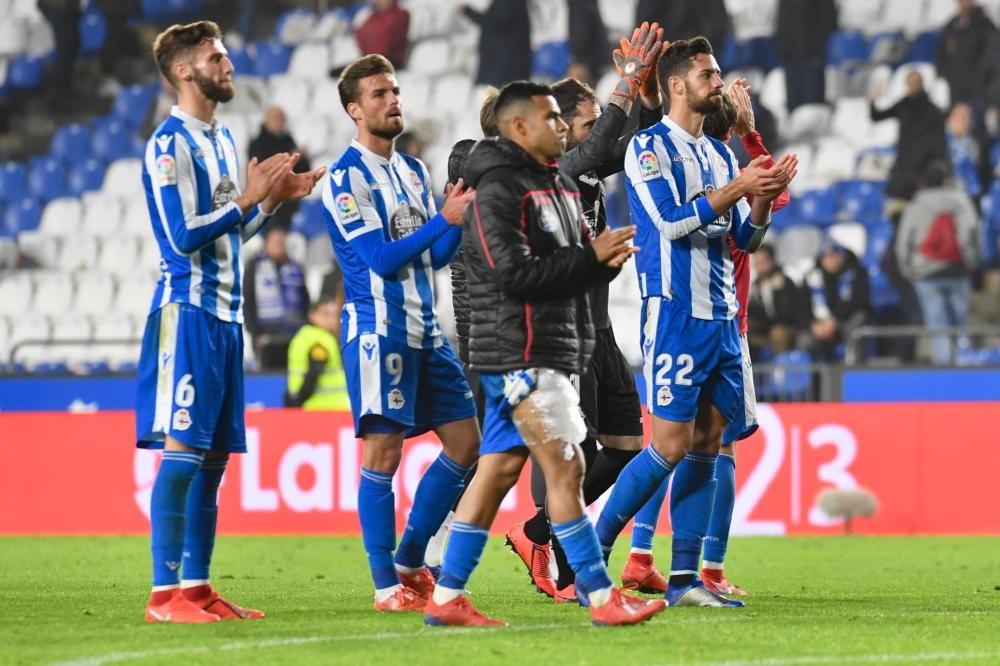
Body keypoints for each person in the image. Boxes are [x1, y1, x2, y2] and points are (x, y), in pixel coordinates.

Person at [422, 80, 664, 628]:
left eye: (562, 117)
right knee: (566, 464)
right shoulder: (499, 190)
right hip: (516, 349)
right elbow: (513, 274)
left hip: (545, 343)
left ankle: (446, 595)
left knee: (499, 471)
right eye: (551, 118)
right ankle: (599, 596)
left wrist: (591, 265)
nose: (560, 127)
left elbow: (567, 265)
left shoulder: (550, 184)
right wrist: (589, 258)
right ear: (519, 128)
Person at [591, 36, 796, 608]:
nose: (717, 81)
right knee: (668, 445)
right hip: (675, 314)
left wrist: (760, 200)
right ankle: (584, 553)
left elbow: (744, 241)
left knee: (708, 443)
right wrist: (739, 188)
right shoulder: (647, 149)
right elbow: (673, 223)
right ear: (677, 84)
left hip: (724, 318)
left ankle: (685, 581)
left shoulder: (719, 154)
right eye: (708, 74)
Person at [136, 20, 325, 624]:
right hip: (186, 313)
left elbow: (231, 236)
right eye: (216, 58)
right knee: (185, 452)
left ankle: (196, 588)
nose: (229, 66)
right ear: (185, 71)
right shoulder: (169, 145)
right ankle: (163, 596)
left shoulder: (221, 139)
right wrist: (247, 199)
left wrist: (270, 203)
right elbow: (181, 236)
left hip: (224, 318)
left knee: (213, 461)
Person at [503, 22, 668, 601]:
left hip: (601, 329)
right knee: (579, 455)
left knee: (627, 450)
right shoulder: (562, 171)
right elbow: (602, 148)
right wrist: (624, 82)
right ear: (561, 129)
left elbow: (642, 145)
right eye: (589, 121)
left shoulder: (589, 167)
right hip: (568, 334)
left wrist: (645, 93)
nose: (600, 131)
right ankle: (574, 572)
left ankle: (536, 533)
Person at [322, 54, 480, 613]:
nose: (393, 100)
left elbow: (435, 254)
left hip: (425, 330)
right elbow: (380, 259)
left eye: (394, 90)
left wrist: (460, 221)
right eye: (378, 94)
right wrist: (443, 219)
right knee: (382, 452)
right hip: (378, 331)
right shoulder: (344, 179)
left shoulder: (412, 170)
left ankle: (412, 559)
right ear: (354, 110)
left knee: (466, 443)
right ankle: (386, 586)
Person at [895, 161, 980, 365]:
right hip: (958, 270)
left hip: (926, 273)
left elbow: (903, 242)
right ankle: (964, 370)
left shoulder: (916, 205)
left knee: (938, 326)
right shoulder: (962, 202)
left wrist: (910, 271)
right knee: (960, 325)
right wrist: (972, 262)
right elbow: (973, 234)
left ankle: (945, 375)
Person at [869, 71, 949, 202]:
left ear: (922, 84)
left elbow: (940, 143)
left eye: (916, 82)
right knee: (896, 202)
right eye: (910, 82)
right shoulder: (903, 105)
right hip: (903, 164)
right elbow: (876, 116)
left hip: (923, 166)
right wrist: (873, 100)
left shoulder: (933, 111)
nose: (913, 85)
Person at [243, 225, 309, 370]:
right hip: (265, 335)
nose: (279, 246)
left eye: (282, 243)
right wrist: (255, 332)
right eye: (275, 243)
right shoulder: (253, 268)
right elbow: (247, 302)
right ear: (266, 243)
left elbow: (305, 301)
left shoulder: (295, 268)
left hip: (294, 333)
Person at [248, 106, 313, 231]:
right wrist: (290, 158)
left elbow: (304, 169)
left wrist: (300, 157)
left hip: (289, 198)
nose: (279, 121)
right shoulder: (257, 143)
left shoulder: (288, 140)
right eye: (275, 118)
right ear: (266, 120)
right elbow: (263, 168)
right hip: (267, 196)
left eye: (281, 118)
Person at [805, 242, 871, 362]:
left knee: (857, 322)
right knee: (805, 340)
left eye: (833, 256)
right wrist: (813, 324)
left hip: (846, 320)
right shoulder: (812, 278)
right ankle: (812, 379)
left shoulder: (857, 273)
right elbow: (801, 307)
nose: (829, 260)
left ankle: (853, 368)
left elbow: (859, 301)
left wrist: (834, 320)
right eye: (825, 257)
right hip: (821, 325)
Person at [285, 294, 350, 409]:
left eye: (334, 315)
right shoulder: (320, 340)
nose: (331, 319)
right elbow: (313, 374)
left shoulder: (303, 335)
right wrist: (297, 402)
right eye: (325, 314)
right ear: (312, 315)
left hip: (314, 408)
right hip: (322, 408)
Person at [747, 243, 809, 359]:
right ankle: (749, 373)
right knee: (743, 335)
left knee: (778, 333)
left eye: (762, 261)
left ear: (771, 261)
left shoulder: (784, 281)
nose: (758, 264)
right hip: (765, 329)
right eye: (756, 260)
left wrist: (763, 322)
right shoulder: (755, 286)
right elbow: (754, 310)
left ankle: (780, 373)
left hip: (788, 328)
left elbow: (786, 313)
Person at [775, 0, 838, 111]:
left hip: (813, 57)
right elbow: (781, 20)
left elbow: (828, 20)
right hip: (790, 56)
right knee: (794, 101)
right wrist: (783, 46)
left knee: (813, 102)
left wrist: (815, 45)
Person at [936, 0, 999, 106]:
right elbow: (942, 54)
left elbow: (994, 56)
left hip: (980, 91)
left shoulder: (985, 24)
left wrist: (988, 83)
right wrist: (945, 75)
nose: (963, 2)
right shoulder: (951, 25)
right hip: (956, 90)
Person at [458, 0, 532, 87]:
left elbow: (494, 23)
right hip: (510, 66)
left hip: (505, 66)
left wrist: (467, 11)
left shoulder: (507, 2)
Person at [354, 0, 410, 69]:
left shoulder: (400, 15)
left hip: (390, 62)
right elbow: (360, 35)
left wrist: (370, 36)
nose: (378, 1)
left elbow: (386, 43)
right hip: (371, 60)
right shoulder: (373, 16)